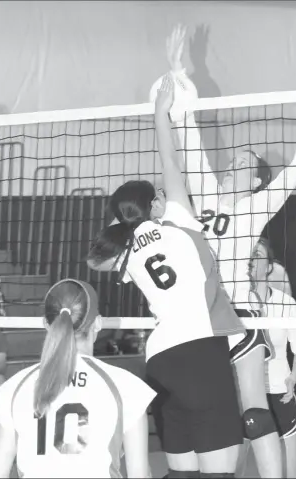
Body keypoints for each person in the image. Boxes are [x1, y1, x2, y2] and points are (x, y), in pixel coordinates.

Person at [161, 24, 296, 478]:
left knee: (252, 412)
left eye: (244, 161)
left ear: (255, 180)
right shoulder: (209, 192)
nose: (234, 159)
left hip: (235, 314)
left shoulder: (258, 206)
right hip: (196, 316)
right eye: (234, 158)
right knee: (211, 412)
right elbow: (188, 137)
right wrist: (179, 74)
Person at [88, 74, 246, 479]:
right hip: (199, 352)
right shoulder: (176, 219)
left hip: (160, 360)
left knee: (182, 471)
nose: (165, 193)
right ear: (155, 205)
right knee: (220, 471)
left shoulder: (124, 251)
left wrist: (123, 222)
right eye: (158, 193)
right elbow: (171, 161)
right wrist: (162, 114)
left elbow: (95, 262)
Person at [0, 278, 155, 478]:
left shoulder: (14, 388)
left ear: (46, 324)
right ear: (98, 323)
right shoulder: (127, 386)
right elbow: (140, 475)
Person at [237, 238, 296, 479]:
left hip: (280, 390)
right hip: (242, 394)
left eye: (256, 254)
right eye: (247, 254)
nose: (250, 259)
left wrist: (293, 378)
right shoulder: (231, 303)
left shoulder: (286, 303)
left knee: (291, 471)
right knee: (233, 469)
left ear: (269, 266)